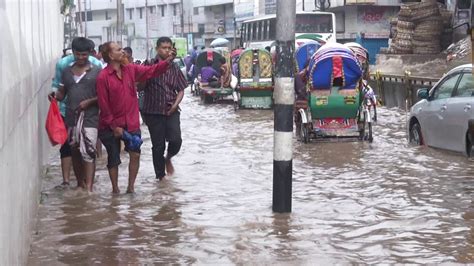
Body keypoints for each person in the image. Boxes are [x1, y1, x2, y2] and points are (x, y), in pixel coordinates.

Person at [96, 41, 176, 194]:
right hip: (110, 125)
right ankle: (115, 189)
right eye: (119, 50)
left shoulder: (130, 69)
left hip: (131, 122)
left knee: (135, 154)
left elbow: (151, 71)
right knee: (113, 158)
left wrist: (167, 62)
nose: (123, 52)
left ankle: (130, 187)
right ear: (111, 56)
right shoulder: (103, 77)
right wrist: (114, 126)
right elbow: (104, 105)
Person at [50, 39, 103, 188]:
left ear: (89, 54)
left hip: (90, 117)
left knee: (89, 151)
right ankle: (80, 184)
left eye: (84, 55)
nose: (81, 58)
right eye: (78, 54)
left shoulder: (97, 71)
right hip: (71, 117)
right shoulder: (66, 71)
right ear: (73, 53)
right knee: (74, 149)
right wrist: (55, 96)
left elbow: (104, 95)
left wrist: (90, 102)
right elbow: (62, 92)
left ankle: (89, 189)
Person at [142, 37, 187, 181]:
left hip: (171, 109)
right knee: (157, 146)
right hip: (153, 111)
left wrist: (175, 105)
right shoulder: (149, 64)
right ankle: (160, 177)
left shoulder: (174, 67)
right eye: (163, 48)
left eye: (169, 48)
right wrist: (145, 75)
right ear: (157, 49)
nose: (166, 50)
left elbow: (181, 89)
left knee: (176, 140)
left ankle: (169, 158)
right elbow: (139, 87)